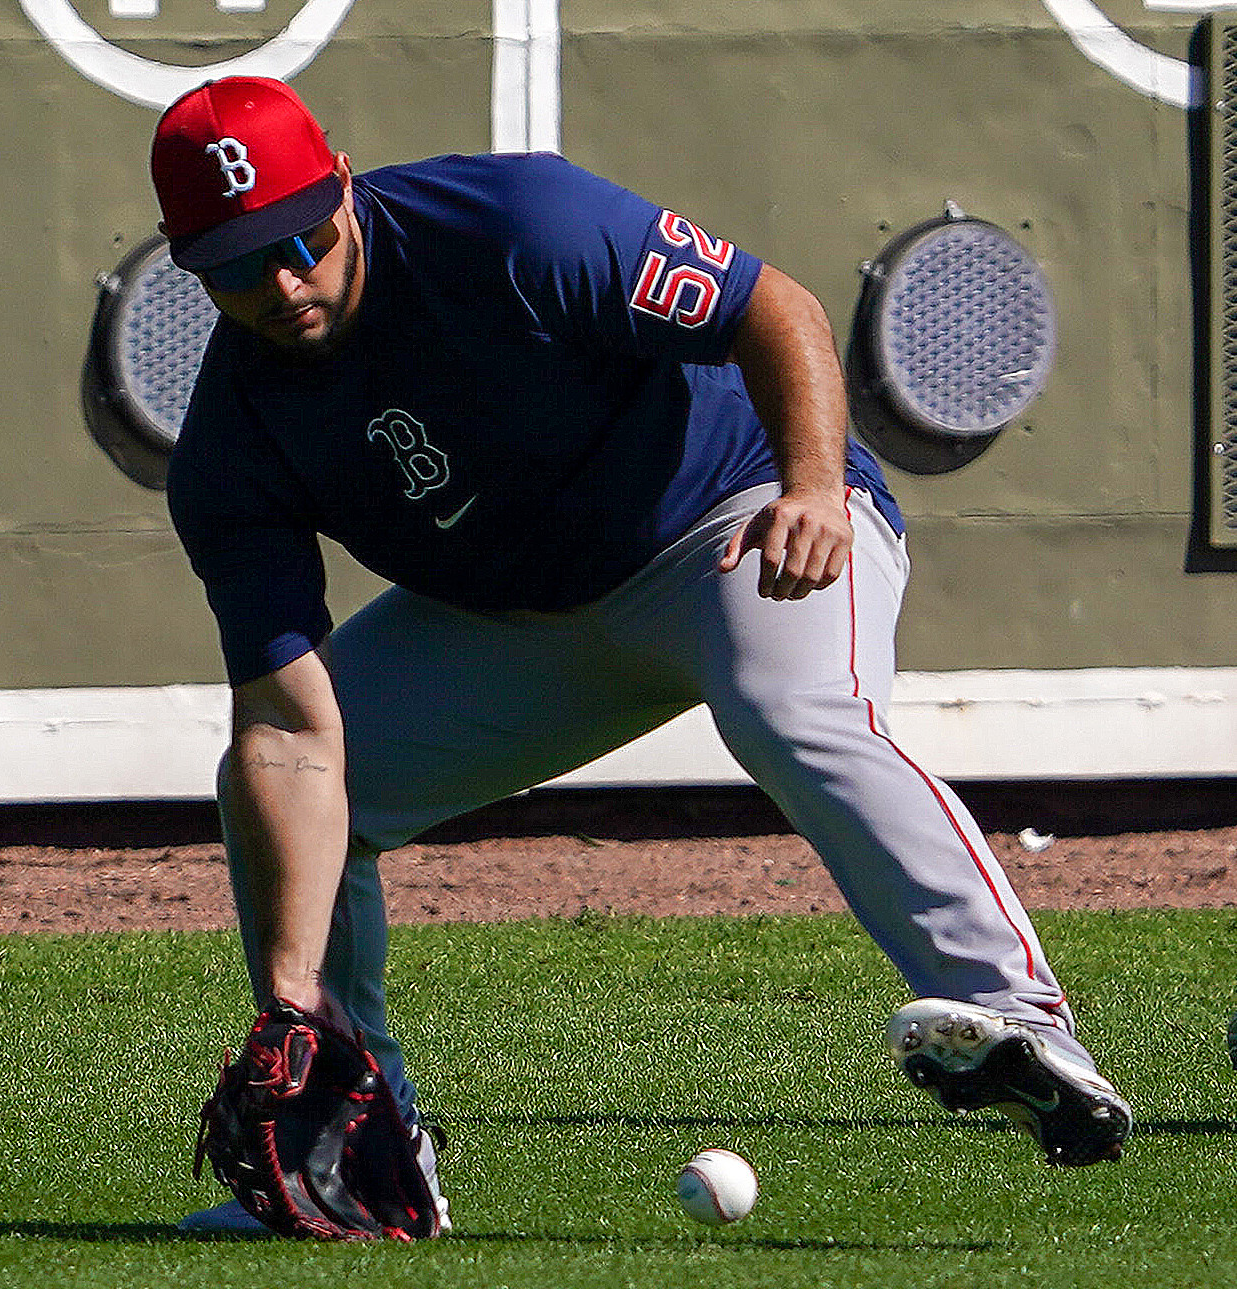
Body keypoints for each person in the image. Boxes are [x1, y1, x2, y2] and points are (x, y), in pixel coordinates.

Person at [148, 76, 1131, 1232]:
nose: (281, 281)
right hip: (516, 616)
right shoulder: (229, 440)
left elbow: (776, 308)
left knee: (785, 703)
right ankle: (367, 1154)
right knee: (305, 787)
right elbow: (287, 725)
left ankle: (1015, 1019)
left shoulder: (515, 224)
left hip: (732, 519)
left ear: (344, 183)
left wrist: (811, 483)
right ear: (188, 262)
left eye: (299, 238)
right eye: (235, 260)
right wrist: (286, 997)